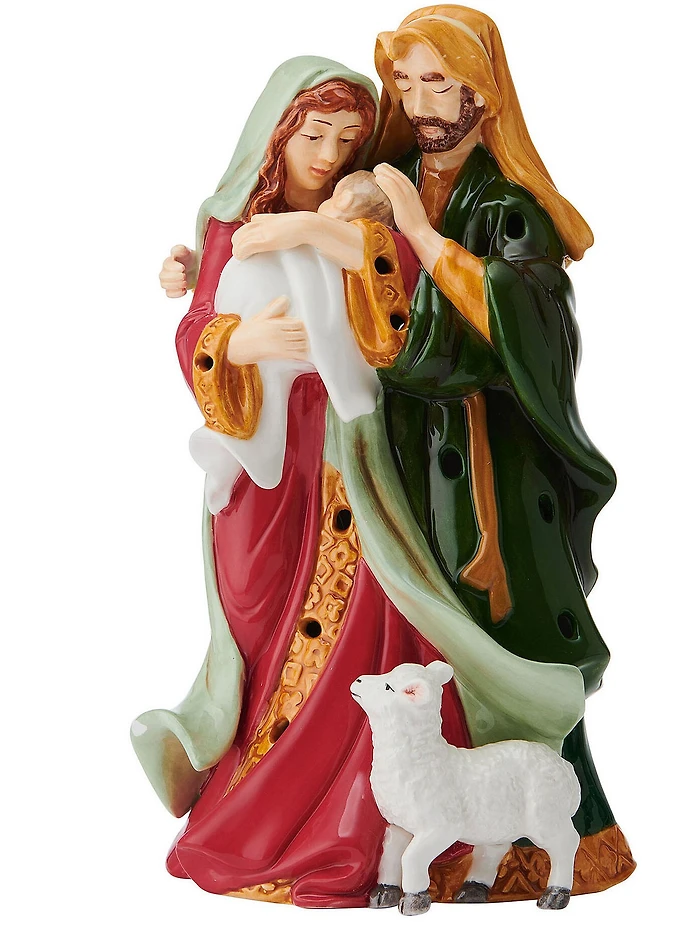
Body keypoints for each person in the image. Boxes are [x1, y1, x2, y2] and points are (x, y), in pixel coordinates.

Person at [134, 54, 587, 908]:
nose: (327, 154)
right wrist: (237, 342)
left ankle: (359, 813)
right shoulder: (231, 222)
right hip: (263, 459)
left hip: (350, 452)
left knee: (361, 616)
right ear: (276, 136)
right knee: (259, 613)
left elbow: (401, 296)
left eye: (346, 139)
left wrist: (314, 236)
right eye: (313, 135)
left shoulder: (363, 207)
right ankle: (249, 789)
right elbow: (198, 323)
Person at [349, 4, 634, 898]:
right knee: (398, 622)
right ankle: (386, 829)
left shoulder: (509, 208)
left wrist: (419, 231)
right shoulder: (384, 174)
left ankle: (560, 834)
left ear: (482, 92)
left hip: (490, 465)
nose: (419, 103)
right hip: (396, 449)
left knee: (502, 637)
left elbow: (527, 326)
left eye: (438, 82)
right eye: (405, 83)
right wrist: (204, 258)